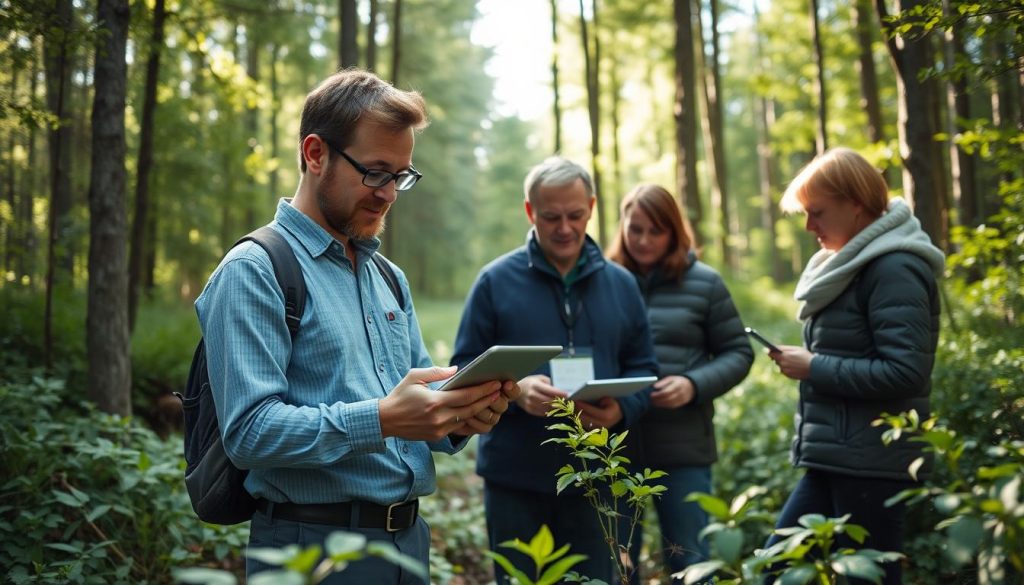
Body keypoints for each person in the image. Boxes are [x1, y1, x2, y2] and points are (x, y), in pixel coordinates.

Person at [195, 69, 519, 585]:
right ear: (315, 153)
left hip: (409, 544)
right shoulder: (255, 271)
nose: (390, 194)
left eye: (402, 176)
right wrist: (383, 419)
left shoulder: (387, 277)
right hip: (312, 551)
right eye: (375, 172)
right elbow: (249, 434)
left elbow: (412, 412)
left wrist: (459, 415)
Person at [450, 157, 659, 584]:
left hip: (597, 479)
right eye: (551, 217)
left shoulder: (623, 284)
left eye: (575, 215)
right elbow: (459, 375)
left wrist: (621, 412)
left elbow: (644, 366)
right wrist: (515, 392)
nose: (564, 228)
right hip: (515, 478)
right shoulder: (494, 282)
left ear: (592, 208)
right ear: (530, 212)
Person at [765, 148, 944, 585]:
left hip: (873, 463)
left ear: (856, 203)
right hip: (838, 458)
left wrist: (814, 367)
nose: (809, 227)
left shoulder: (894, 268)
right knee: (774, 568)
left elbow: (905, 372)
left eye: (818, 213)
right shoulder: (851, 265)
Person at [606, 184, 754, 583]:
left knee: (690, 562)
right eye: (635, 229)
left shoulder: (704, 283)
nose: (643, 240)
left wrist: (693, 384)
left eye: (655, 231)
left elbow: (739, 353)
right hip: (615, 447)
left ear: (674, 231)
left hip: (684, 449)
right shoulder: (605, 281)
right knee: (617, 564)